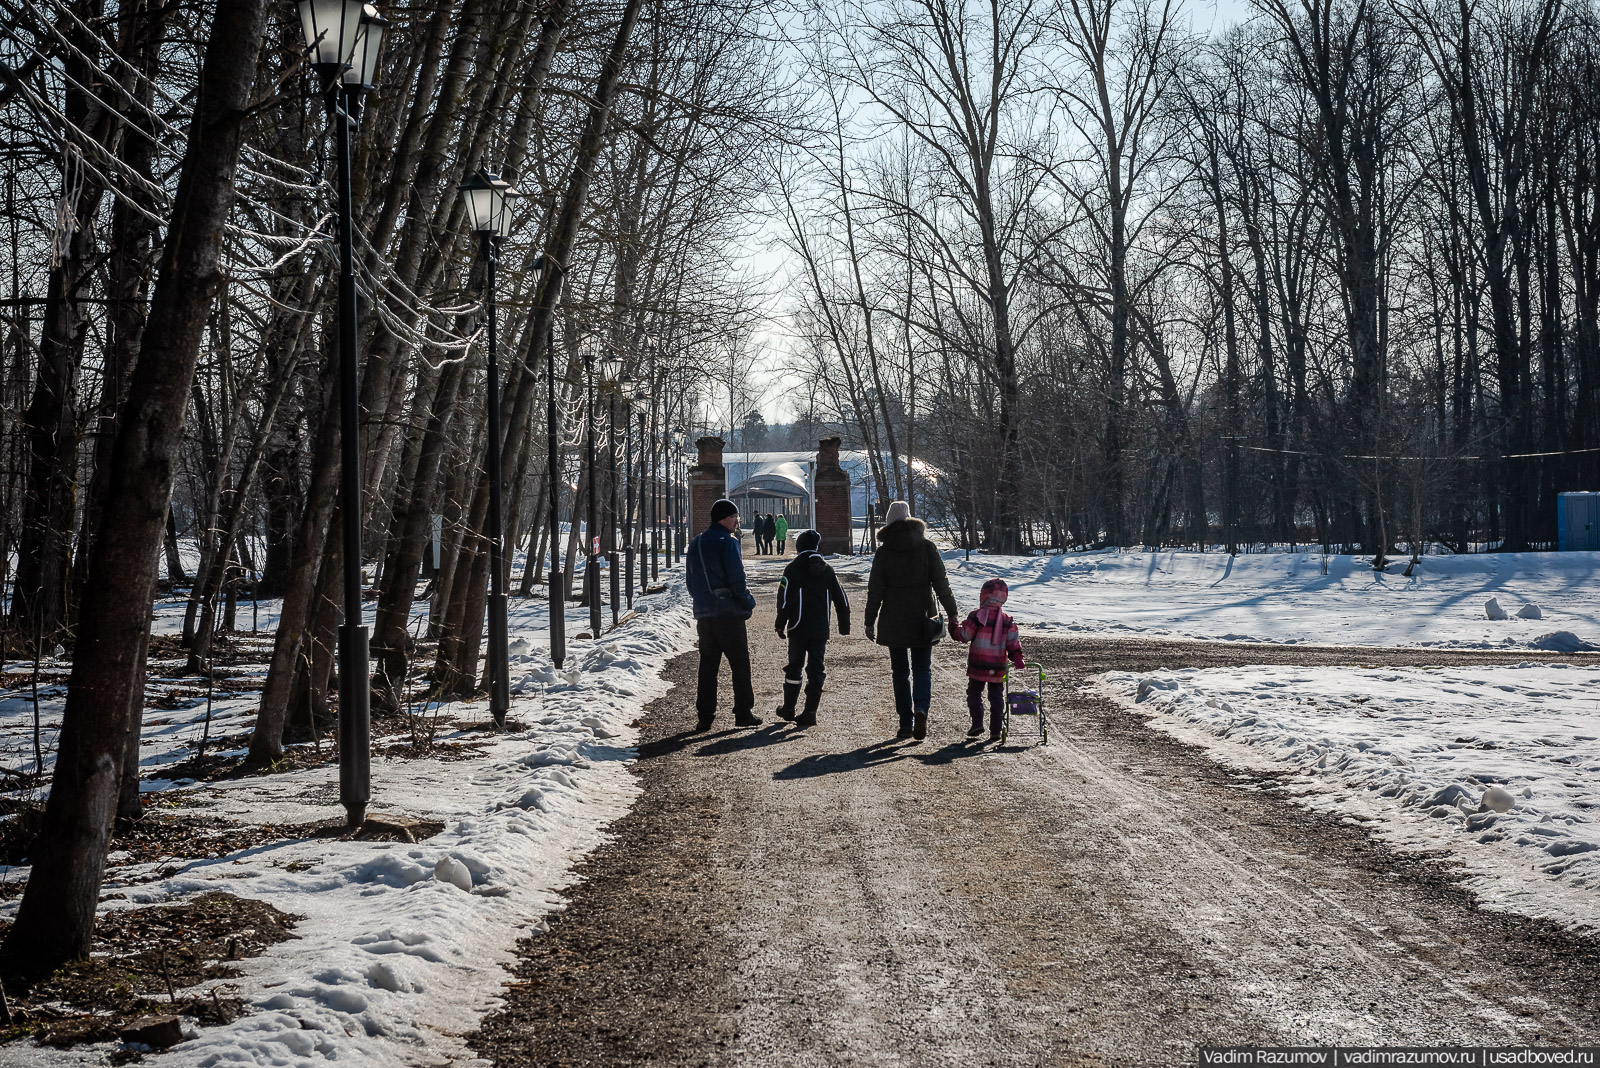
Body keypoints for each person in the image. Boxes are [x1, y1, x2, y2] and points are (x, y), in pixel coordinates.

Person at [863, 500, 960, 740]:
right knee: (922, 669)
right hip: (922, 617)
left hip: (893, 618)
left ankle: (905, 722)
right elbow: (941, 583)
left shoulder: (884, 552)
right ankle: (921, 709)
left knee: (900, 672)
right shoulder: (927, 548)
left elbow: (875, 590)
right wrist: (952, 612)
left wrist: (869, 620)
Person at [685, 498, 762, 730]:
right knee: (739, 663)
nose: (737, 522)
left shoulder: (696, 542)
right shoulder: (727, 542)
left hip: (704, 614)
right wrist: (747, 601)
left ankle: (705, 716)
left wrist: (701, 601)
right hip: (728, 613)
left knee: (708, 665)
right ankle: (743, 712)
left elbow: (690, 580)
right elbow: (737, 578)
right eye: (735, 517)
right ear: (724, 518)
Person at [773, 528, 850, 727]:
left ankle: (789, 708)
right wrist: (844, 624)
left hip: (798, 628)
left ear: (799, 548)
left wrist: (780, 623)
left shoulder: (792, 568)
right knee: (816, 669)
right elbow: (841, 598)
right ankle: (810, 711)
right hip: (820, 629)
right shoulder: (827, 569)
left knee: (795, 667)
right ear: (817, 547)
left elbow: (784, 599)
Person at [956, 578, 1025, 741]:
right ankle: (995, 730)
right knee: (996, 697)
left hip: (978, 664)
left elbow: (964, 635)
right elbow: (1012, 642)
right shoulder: (1008, 621)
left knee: (974, 693)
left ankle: (977, 722)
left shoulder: (977, 616)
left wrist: (953, 626)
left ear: (984, 595)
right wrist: (1017, 658)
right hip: (998, 665)